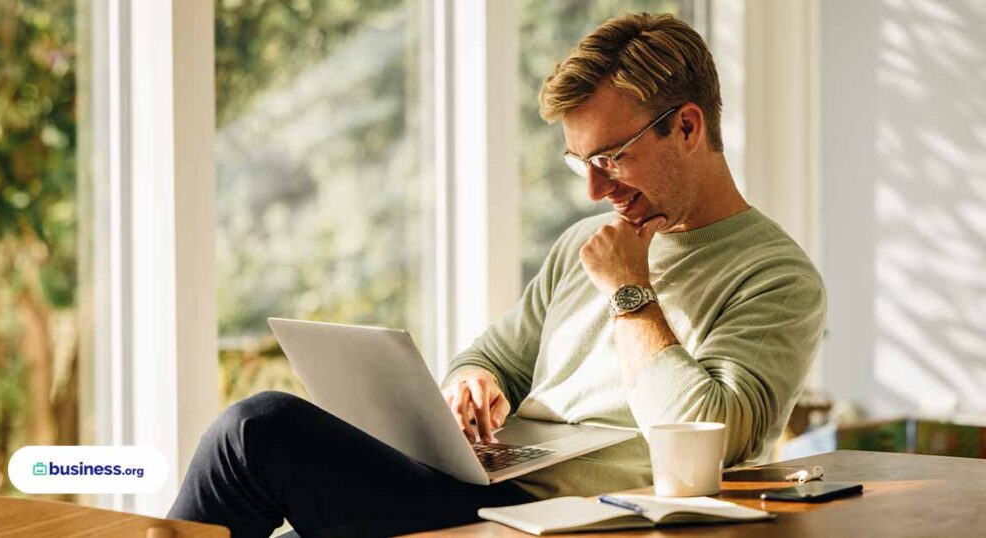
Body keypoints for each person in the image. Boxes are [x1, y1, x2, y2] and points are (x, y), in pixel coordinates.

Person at [168, 12, 826, 537]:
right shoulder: (581, 247)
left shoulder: (776, 278)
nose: (596, 189)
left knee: (256, 432)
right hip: (481, 488)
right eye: (580, 163)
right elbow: (493, 356)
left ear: (687, 126)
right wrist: (470, 384)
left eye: (612, 158)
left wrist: (630, 295)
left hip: (572, 519)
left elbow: (706, 431)